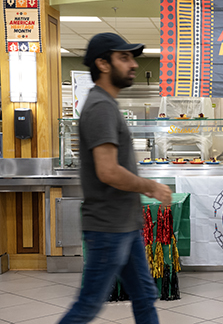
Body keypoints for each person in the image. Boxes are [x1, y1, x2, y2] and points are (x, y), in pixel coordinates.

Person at [58, 33, 172, 324]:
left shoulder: (105, 103)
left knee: (145, 297)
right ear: (103, 64)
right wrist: (151, 186)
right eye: (124, 57)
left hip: (124, 224)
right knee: (89, 305)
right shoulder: (101, 107)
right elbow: (107, 171)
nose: (132, 64)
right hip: (109, 229)